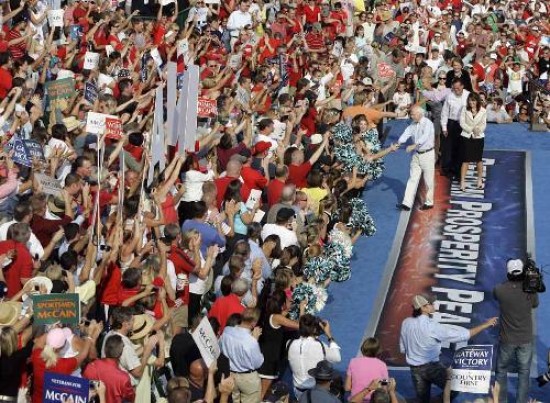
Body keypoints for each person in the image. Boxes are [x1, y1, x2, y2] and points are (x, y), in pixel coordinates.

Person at [399, 294, 498, 402]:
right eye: (431, 303)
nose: (433, 304)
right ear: (423, 308)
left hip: (414, 369)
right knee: (454, 388)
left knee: (423, 400)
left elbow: (403, 349)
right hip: (432, 368)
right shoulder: (433, 326)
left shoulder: (406, 323)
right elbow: (465, 335)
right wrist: (486, 324)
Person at [494, 259, 539, 403]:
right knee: (524, 373)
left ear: (508, 273)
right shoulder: (530, 291)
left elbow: (497, 293)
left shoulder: (499, 290)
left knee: (501, 370)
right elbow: (535, 304)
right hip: (525, 339)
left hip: (507, 340)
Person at [287, 315, 341, 399]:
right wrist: (329, 336)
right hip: (315, 393)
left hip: (298, 392)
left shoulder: (289, 343)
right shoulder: (320, 345)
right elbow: (337, 358)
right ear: (315, 329)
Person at [220, 308, 264, 403]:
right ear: (254, 323)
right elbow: (258, 363)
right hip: (248, 378)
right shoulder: (251, 341)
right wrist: (255, 339)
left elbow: (221, 348)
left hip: (231, 375)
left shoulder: (227, 331)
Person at [396, 106, 435, 211]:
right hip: (416, 154)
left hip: (428, 154)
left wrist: (414, 145)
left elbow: (425, 137)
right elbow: (406, 133)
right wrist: (398, 143)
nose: (411, 116)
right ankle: (406, 203)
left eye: (413, 114)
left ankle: (429, 202)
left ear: (420, 113)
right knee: (412, 178)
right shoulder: (413, 124)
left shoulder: (428, 124)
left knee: (428, 180)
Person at [83, 334, 136, 403]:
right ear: (121, 353)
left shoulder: (90, 367)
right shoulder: (124, 378)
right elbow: (131, 398)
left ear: (105, 349)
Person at [441, 79, 470, 180]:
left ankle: (459, 172)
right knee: (449, 149)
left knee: (461, 149)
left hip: (464, 125)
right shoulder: (450, 96)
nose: (456, 90)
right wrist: (444, 127)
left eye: (458, 88)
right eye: (454, 88)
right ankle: (448, 170)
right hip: (452, 123)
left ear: (462, 86)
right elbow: (444, 112)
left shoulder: (468, 96)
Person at [345, 337, 389, 403]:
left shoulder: (353, 362)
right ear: (378, 351)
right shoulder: (383, 365)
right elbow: (384, 389)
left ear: (363, 348)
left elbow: (347, 387)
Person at [459, 92, 487, 191]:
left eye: (474, 100)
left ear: (477, 101)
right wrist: (471, 129)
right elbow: (462, 122)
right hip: (466, 136)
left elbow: (484, 124)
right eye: (470, 100)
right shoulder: (464, 109)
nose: (472, 102)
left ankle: (479, 180)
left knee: (478, 159)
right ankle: (462, 181)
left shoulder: (483, 111)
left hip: (478, 137)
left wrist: (478, 130)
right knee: (465, 160)